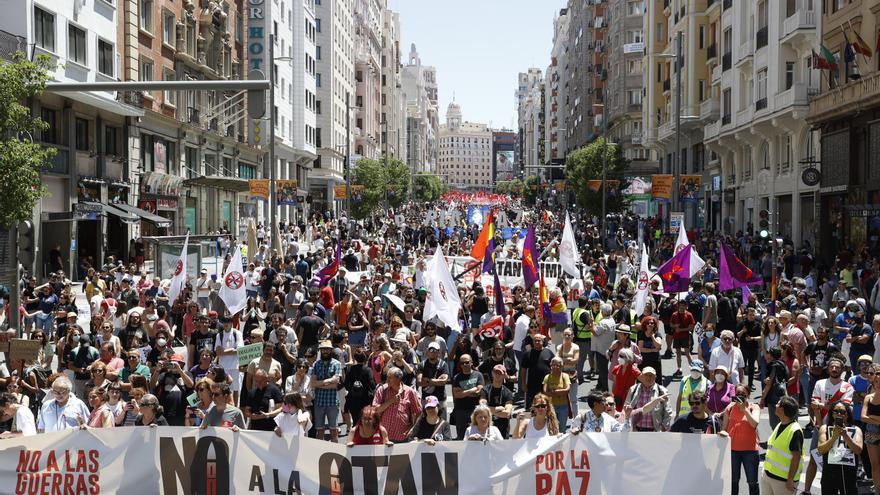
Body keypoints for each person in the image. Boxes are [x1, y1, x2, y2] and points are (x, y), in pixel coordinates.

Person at [805, 357, 854, 491]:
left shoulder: (847, 387)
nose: (834, 369)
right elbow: (815, 407)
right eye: (832, 366)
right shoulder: (820, 383)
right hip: (820, 427)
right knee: (814, 460)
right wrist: (821, 426)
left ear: (842, 370)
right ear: (828, 368)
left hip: (840, 429)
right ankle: (807, 490)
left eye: (837, 367)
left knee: (838, 462)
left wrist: (822, 405)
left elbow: (844, 408)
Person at [719, 384, 761, 495]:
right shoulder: (730, 407)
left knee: (752, 482)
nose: (740, 397)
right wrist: (722, 433)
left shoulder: (754, 407)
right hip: (732, 451)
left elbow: (754, 424)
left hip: (750, 451)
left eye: (743, 394)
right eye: (737, 394)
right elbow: (724, 428)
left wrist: (745, 410)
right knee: (733, 481)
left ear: (748, 395)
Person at [762, 396, 804, 495]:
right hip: (768, 475)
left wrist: (790, 480)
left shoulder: (795, 431)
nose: (775, 405)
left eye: (778, 404)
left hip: (783, 481)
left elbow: (796, 458)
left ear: (782, 409)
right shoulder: (780, 424)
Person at [818, 402, 863, 495]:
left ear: (848, 414)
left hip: (849, 473)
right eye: (836, 411)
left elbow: (858, 450)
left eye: (842, 412)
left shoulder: (856, 429)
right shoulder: (824, 428)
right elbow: (821, 449)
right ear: (831, 413)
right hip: (829, 472)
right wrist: (834, 437)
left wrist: (845, 435)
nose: (839, 414)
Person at [372, 366, 422, 443]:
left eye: (390, 378)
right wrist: (391, 401)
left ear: (398, 379)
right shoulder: (382, 390)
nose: (387, 380)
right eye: (387, 377)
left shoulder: (409, 392)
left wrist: (413, 428)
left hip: (402, 437)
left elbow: (418, 412)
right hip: (384, 437)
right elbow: (375, 410)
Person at [311, 340, 343, 442]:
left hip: (332, 402)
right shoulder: (316, 364)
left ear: (331, 350)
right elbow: (313, 383)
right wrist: (329, 381)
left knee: (334, 430)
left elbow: (335, 385)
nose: (325, 351)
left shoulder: (336, 364)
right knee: (319, 431)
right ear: (320, 350)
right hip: (319, 402)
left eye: (327, 349)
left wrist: (319, 384)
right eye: (323, 349)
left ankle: (335, 451)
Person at [624, 367, 673, 432]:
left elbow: (668, 412)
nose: (648, 378)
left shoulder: (662, 391)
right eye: (646, 375)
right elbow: (626, 409)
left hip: (654, 431)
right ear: (641, 376)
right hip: (636, 430)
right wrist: (632, 427)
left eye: (651, 375)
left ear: (655, 377)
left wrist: (662, 428)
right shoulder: (633, 389)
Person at [213, 315, 244, 404]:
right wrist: (231, 350)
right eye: (225, 322)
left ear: (231, 323)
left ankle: (234, 407)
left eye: (228, 322)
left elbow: (239, 350)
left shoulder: (237, 333)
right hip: (223, 367)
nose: (226, 324)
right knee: (225, 389)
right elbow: (218, 352)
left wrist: (224, 351)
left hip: (235, 366)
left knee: (235, 389)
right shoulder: (220, 335)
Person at [480, 364, 514, 438]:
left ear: (504, 375)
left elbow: (507, 414)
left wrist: (490, 411)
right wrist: (498, 409)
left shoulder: (508, 393)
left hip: (503, 428)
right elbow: (482, 408)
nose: (497, 375)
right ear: (492, 373)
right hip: (488, 426)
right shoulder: (484, 390)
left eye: (500, 373)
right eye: (496, 372)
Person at [861, 362, 880, 494]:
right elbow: (863, 417)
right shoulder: (868, 396)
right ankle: (877, 487)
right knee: (874, 464)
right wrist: (877, 420)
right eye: (877, 381)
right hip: (871, 431)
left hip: (873, 428)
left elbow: (868, 416)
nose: (878, 383)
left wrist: (872, 417)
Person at [521, 333, 554, 408]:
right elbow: (523, 370)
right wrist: (523, 384)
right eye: (535, 341)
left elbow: (553, 367)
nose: (537, 342)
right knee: (533, 406)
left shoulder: (548, 352)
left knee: (547, 404)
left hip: (546, 384)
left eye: (539, 340)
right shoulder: (527, 354)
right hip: (532, 385)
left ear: (543, 341)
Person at [556, 329, 580, 418]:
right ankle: (562, 417)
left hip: (572, 376)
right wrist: (569, 360)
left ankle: (576, 418)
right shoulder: (559, 347)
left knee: (573, 399)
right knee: (561, 398)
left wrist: (563, 360)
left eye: (569, 335)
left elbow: (575, 361)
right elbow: (556, 361)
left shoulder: (575, 347)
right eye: (565, 334)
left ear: (573, 336)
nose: (567, 337)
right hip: (561, 376)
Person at [669, 300, 696, 378]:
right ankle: (679, 369)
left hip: (685, 337)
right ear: (678, 306)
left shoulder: (689, 315)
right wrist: (675, 326)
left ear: (686, 306)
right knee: (678, 353)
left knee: (687, 353)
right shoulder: (674, 315)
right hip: (676, 337)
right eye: (680, 305)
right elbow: (671, 324)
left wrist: (681, 330)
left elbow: (691, 327)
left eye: (683, 305)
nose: (682, 307)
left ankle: (694, 369)